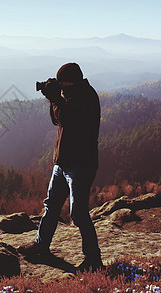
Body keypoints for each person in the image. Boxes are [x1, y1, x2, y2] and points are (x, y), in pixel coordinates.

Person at [19, 62, 104, 272]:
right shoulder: (70, 95)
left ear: (71, 82)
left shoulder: (87, 98)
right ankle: (41, 246)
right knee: (51, 206)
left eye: (62, 84)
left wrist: (55, 97)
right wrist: (52, 98)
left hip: (81, 165)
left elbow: (69, 118)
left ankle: (94, 260)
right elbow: (56, 120)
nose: (61, 88)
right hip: (63, 163)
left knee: (78, 213)